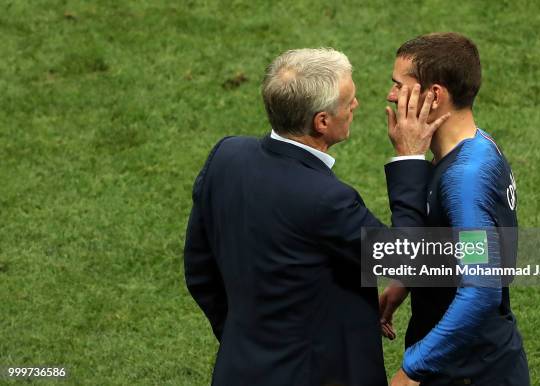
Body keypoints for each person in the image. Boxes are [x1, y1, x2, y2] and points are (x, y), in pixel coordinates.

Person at [183, 48, 448, 386]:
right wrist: (410, 158)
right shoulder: (325, 200)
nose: (356, 105)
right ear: (321, 121)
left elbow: (199, 272)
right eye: (348, 101)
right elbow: (405, 259)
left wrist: (247, 343)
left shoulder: (226, 157)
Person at [379, 33, 531, 386]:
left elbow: (481, 289)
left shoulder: (465, 179)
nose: (390, 95)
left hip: (469, 371)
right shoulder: (476, 145)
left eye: (399, 86)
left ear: (434, 95)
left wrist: (411, 370)